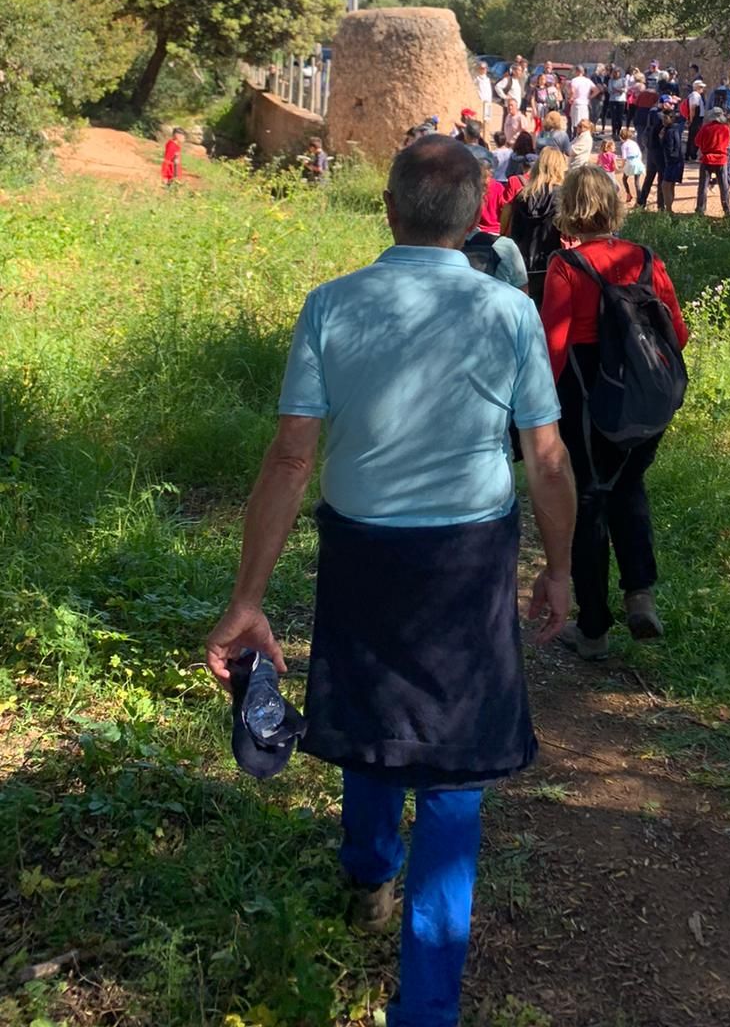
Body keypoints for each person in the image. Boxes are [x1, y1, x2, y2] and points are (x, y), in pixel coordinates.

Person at [204, 137, 576, 1027]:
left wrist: (246, 599)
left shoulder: (331, 306)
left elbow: (294, 456)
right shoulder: (509, 313)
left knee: (372, 709)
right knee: (453, 769)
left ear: (387, 208)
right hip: (469, 559)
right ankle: (428, 1009)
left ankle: (368, 871)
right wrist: (560, 569)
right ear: (482, 215)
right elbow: (548, 457)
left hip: (363, 549)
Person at [540, 167, 688, 659]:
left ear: (570, 209)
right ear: (613, 205)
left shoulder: (566, 265)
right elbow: (677, 333)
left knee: (588, 502)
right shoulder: (645, 259)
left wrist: (537, 406)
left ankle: (594, 630)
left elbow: (554, 346)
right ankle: (639, 593)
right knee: (629, 486)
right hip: (647, 395)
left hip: (588, 397)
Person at [503, 145, 568, 306]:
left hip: (523, 266)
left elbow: (512, 232)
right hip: (553, 264)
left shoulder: (521, 196)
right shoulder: (563, 197)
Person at [694, 106, 730, 216]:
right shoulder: (725, 129)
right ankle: (727, 210)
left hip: (707, 158)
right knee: (724, 186)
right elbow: (727, 143)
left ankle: (700, 209)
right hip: (721, 159)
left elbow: (697, 142)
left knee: (703, 185)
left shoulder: (705, 128)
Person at [658, 104, 686, 213]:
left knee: (665, 186)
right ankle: (669, 209)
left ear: (672, 118)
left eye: (665, 118)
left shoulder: (669, 131)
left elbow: (670, 148)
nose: (663, 120)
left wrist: (661, 139)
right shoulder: (675, 128)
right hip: (676, 160)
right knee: (670, 186)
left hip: (672, 161)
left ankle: (669, 210)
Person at [567, 65, 597, 136]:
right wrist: (589, 97)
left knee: (576, 123)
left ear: (576, 71)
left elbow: (572, 91)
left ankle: (575, 136)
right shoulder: (588, 81)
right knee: (584, 122)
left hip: (577, 103)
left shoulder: (574, 80)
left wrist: (570, 98)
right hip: (585, 104)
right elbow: (596, 90)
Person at [619, 126, 644, 204]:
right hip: (638, 162)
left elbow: (624, 157)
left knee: (624, 179)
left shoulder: (624, 145)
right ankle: (639, 199)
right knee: (637, 182)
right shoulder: (634, 143)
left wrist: (622, 166)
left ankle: (628, 194)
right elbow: (640, 153)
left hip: (630, 163)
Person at [686, 80, 706, 162]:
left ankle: (691, 154)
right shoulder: (695, 95)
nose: (702, 89)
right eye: (701, 87)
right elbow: (693, 108)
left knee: (694, 136)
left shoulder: (697, 95)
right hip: (696, 119)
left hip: (697, 118)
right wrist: (691, 119)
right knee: (694, 137)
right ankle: (691, 155)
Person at [607, 66, 629, 138]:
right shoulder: (611, 80)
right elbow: (610, 90)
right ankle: (613, 132)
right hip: (613, 100)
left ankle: (618, 131)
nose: (616, 74)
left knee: (620, 117)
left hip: (621, 100)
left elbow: (625, 90)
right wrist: (618, 90)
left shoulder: (623, 80)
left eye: (617, 72)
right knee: (614, 117)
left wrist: (619, 90)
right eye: (615, 72)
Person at [473, 61, 494, 129]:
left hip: (488, 102)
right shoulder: (477, 79)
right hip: (480, 102)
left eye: (485, 68)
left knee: (487, 120)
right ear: (479, 69)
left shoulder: (487, 79)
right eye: (482, 68)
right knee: (479, 120)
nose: (484, 70)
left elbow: (489, 91)